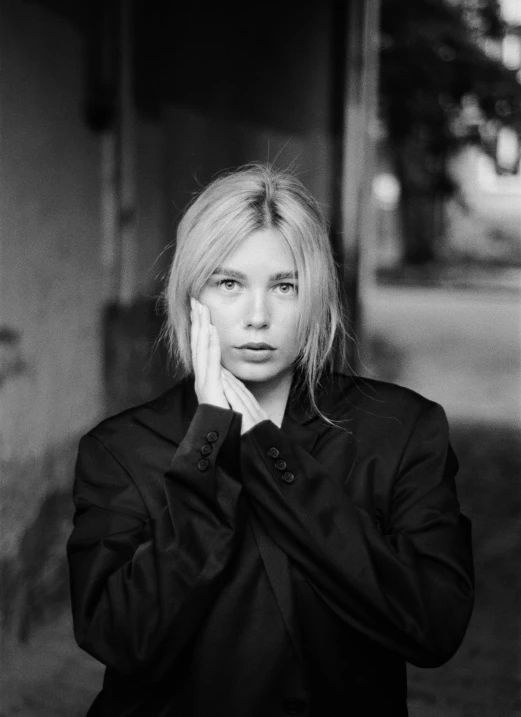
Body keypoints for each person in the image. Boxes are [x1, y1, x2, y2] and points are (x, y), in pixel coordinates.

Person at [67, 164, 474, 717]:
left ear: (317, 299)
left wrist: (270, 450)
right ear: (191, 295)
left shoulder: (400, 431)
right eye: (228, 283)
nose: (257, 317)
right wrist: (209, 440)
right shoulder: (120, 449)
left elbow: (433, 625)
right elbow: (121, 636)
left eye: (285, 286)